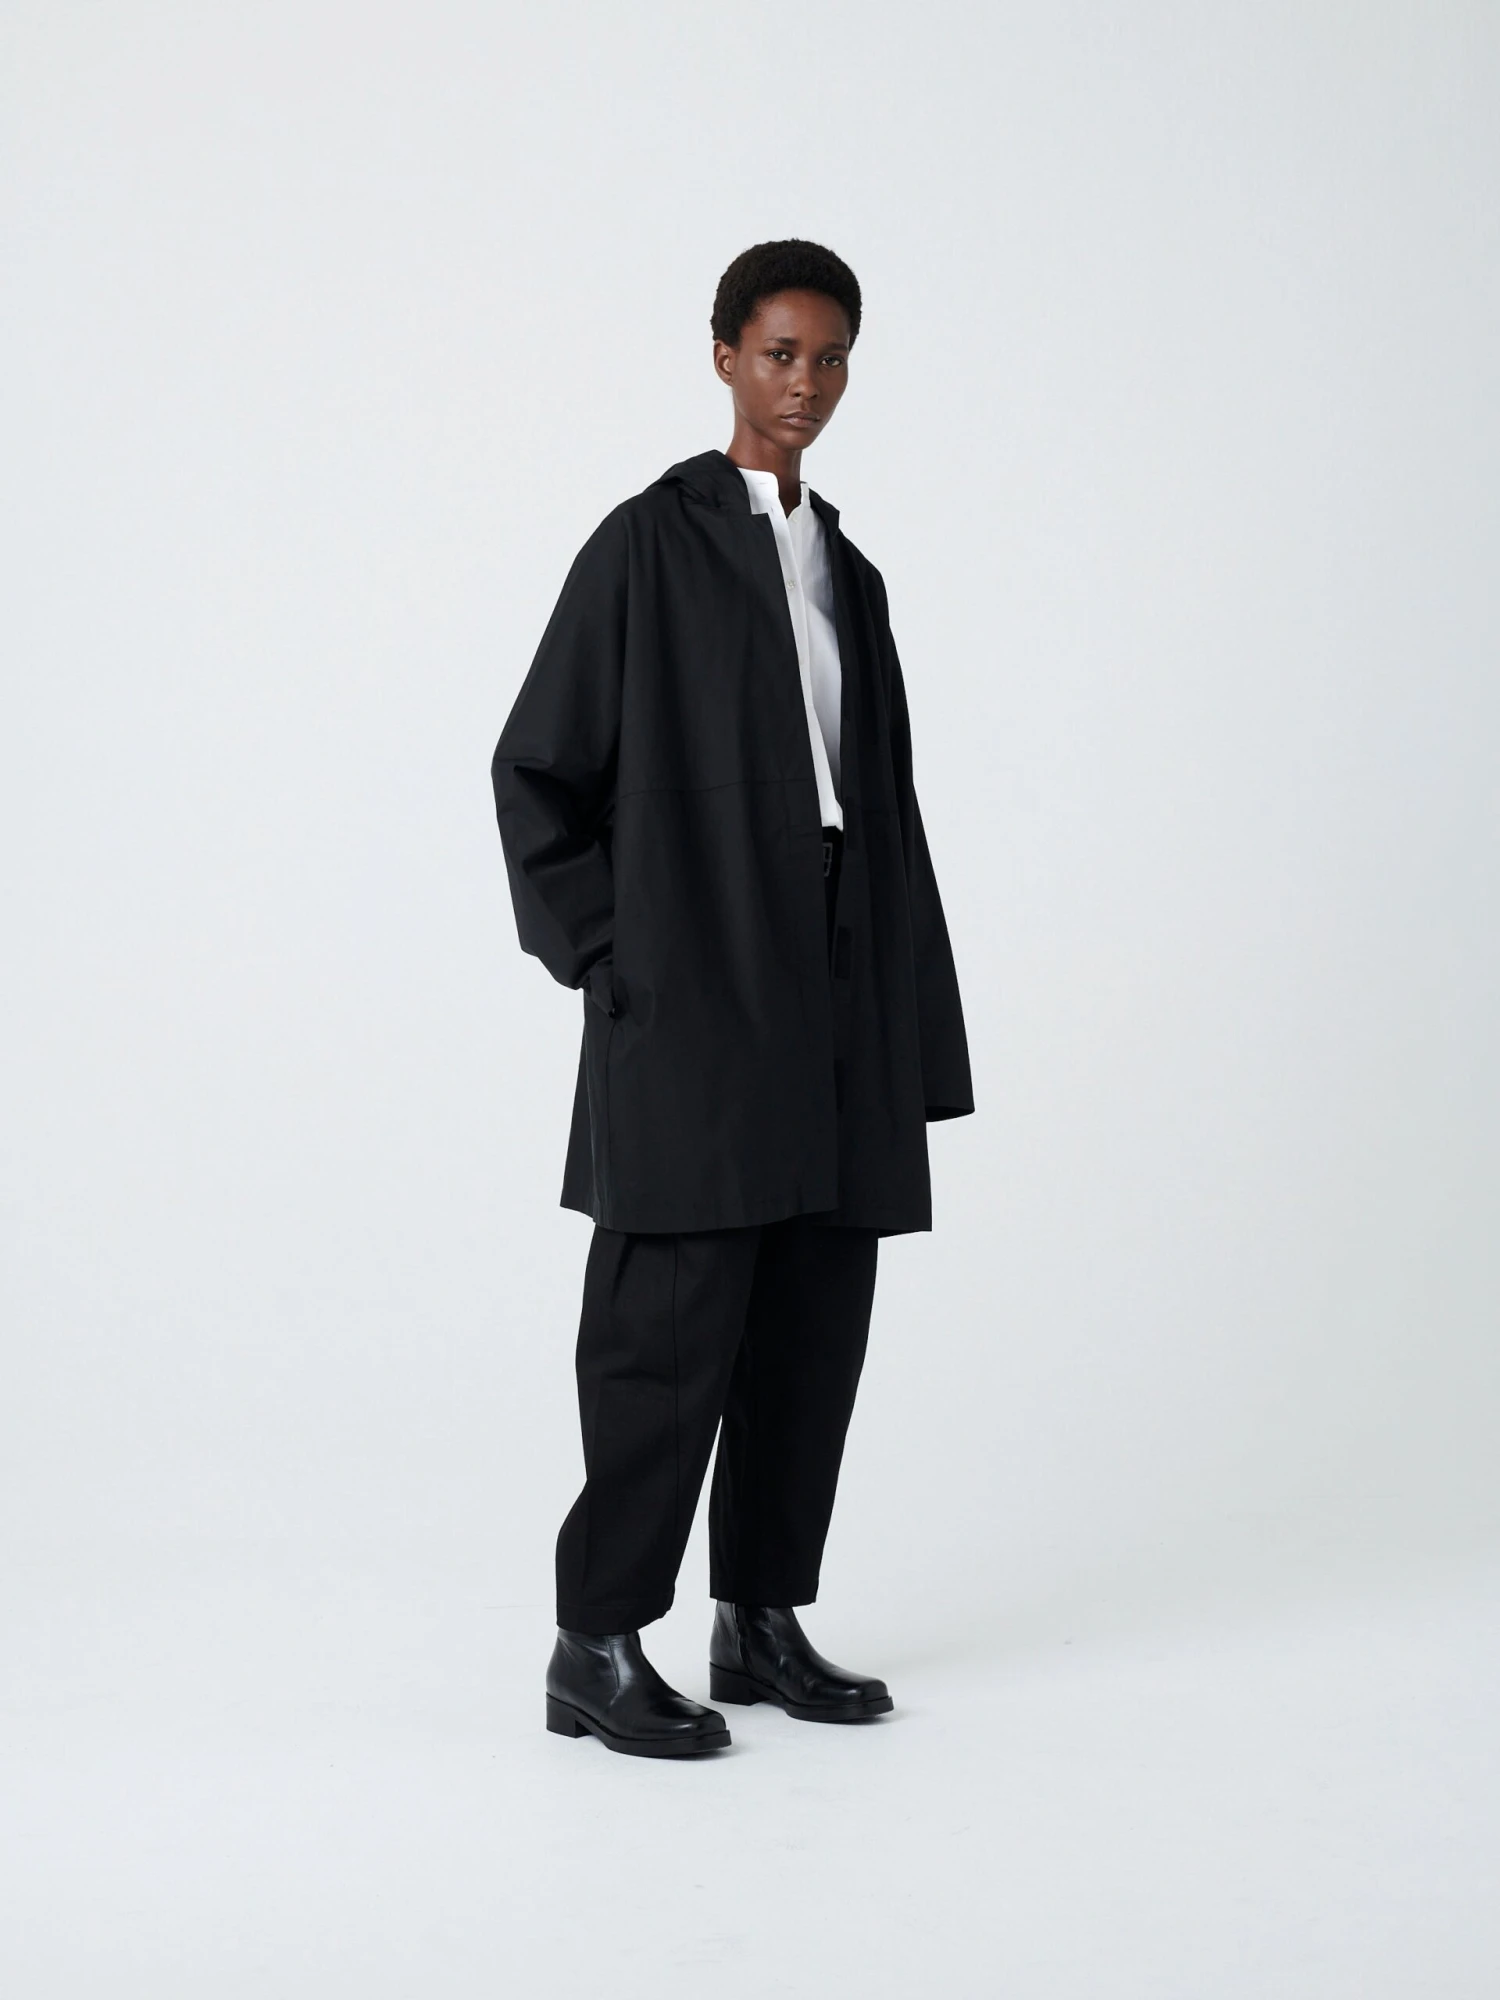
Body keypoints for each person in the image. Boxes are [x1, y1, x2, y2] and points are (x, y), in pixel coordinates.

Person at [491, 238, 974, 1758]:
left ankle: (759, 1619)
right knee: (668, 1322)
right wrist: (612, 955)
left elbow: (882, 806)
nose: (806, 382)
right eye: (779, 353)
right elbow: (537, 770)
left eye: (830, 357)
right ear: (724, 359)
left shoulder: (852, 575)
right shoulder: (648, 546)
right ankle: (594, 1641)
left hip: (838, 977)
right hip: (696, 981)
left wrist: (906, 1005)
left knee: (812, 1319)